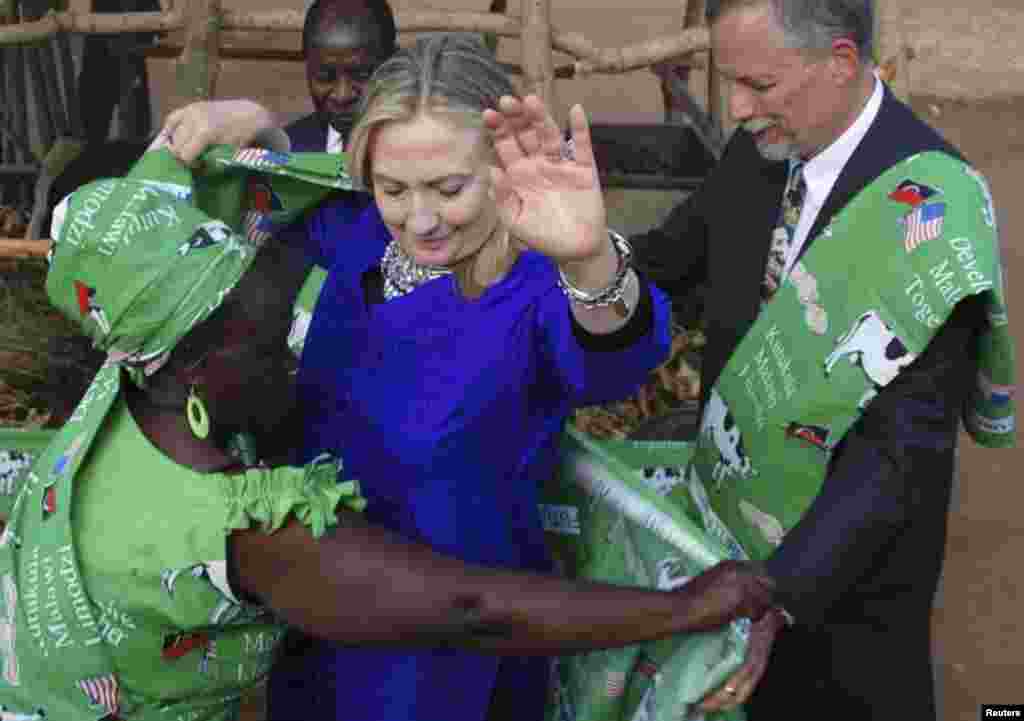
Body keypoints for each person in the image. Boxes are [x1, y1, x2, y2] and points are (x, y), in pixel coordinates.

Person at [0, 140, 776, 720]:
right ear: (196, 366)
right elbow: (473, 609)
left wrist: (211, 133)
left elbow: (121, 224)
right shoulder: (239, 521)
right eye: (270, 343)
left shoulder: (134, 376)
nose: (294, 353)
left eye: (447, 184)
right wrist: (687, 606)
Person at [160, 33, 758, 721]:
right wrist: (255, 120)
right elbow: (249, 199)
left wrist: (591, 261)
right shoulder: (350, 232)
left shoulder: (533, 283)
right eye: (393, 188)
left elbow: (619, 357)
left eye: (450, 188)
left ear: (501, 166)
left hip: (453, 664)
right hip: (320, 639)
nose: (420, 218)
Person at [626, 0, 1015, 718]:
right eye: (729, 81)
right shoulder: (762, 147)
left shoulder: (931, 215)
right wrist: (586, 263)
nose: (736, 107)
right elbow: (669, 263)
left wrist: (778, 594)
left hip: (843, 598)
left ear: (840, 62)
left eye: (759, 85)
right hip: (730, 558)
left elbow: (896, 458)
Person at [286, 0, 398, 154]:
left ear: (393, 64)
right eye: (325, 77)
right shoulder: (285, 152)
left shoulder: (426, 148)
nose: (342, 96)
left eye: (361, 76)